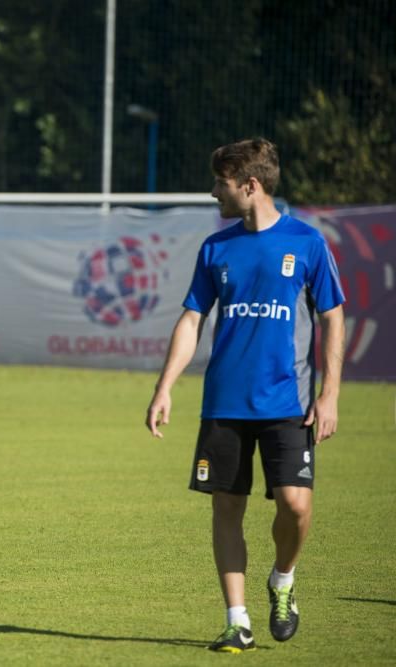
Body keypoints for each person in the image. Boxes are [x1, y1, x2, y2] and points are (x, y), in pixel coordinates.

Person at [145, 138, 345, 653]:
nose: (215, 192)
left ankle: (282, 579)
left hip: (288, 403)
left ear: (250, 186)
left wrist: (330, 395)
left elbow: (332, 317)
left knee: (296, 507)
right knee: (226, 509)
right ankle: (238, 620)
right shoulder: (216, 248)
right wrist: (165, 386)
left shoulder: (307, 243)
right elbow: (193, 318)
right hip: (224, 405)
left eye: (222, 183)